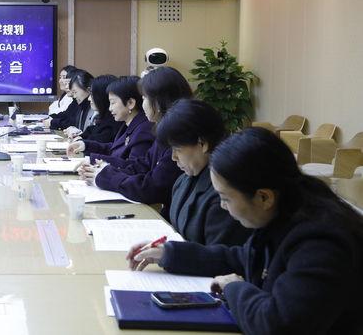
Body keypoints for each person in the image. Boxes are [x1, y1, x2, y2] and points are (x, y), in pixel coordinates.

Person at [128, 128, 363, 334]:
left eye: (225, 198)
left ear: (264, 197)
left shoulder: (321, 242)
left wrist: (234, 288)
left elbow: (279, 325)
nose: (222, 206)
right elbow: (241, 258)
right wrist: (169, 253)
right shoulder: (284, 212)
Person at [86, 67, 192, 212]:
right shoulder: (163, 130)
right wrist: (105, 170)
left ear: (160, 101)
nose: (143, 104)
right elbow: (142, 165)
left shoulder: (177, 134)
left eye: (144, 99)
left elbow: (153, 187)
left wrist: (109, 176)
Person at [155, 99, 250, 245]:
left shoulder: (224, 194)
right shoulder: (183, 180)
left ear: (203, 143)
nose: (173, 157)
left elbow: (218, 255)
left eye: (178, 149)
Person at [68, 75, 153, 165]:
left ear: (130, 103)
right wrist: (85, 145)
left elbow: (133, 166)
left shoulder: (143, 130)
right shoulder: (128, 124)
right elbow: (114, 149)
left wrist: (94, 160)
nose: (110, 108)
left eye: (113, 103)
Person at [73, 74, 121, 143]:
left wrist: (82, 141)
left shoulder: (113, 123)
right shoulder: (103, 118)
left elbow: (97, 142)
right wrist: (81, 136)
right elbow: (93, 130)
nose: (89, 99)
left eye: (92, 95)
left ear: (102, 97)